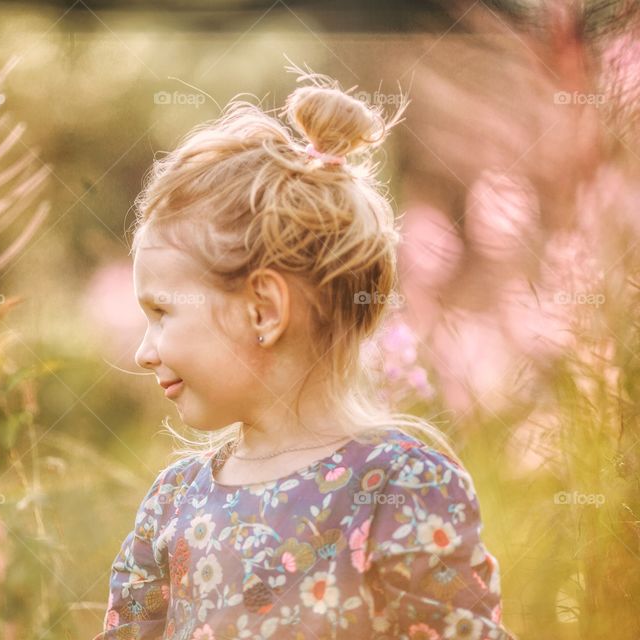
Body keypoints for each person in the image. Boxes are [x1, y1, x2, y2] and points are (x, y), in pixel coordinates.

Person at [95, 66, 516, 640]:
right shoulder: (173, 502)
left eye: (162, 312)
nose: (144, 352)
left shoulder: (399, 488)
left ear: (264, 311)